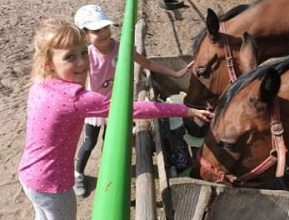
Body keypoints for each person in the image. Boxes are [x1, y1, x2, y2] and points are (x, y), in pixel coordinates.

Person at [18, 18, 213, 220]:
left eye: (84, 53)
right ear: (48, 64)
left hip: (29, 175)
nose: (82, 62)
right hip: (53, 184)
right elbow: (132, 109)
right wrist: (185, 110)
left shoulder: (41, 82)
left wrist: (50, 28)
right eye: (70, 57)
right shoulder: (74, 98)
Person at [73, 4, 194, 197]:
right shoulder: (87, 55)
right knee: (89, 142)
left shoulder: (120, 48)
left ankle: (108, 170)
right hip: (96, 107)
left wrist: (176, 73)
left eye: (105, 27)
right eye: (97, 30)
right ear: (85, 34)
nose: (104, 33)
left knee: (108, 139)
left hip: (116, 104)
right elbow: (74, 80)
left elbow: (147, 63)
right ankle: (78, 173)